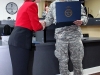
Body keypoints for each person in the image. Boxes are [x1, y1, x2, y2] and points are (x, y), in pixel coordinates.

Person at [43, 0, 88, 75]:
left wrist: (82, 21)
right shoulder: (54, 4)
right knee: (62, 62)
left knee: (77, 61)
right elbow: (49, 20)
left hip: (75, 36)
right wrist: (43, 23)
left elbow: (84, 17)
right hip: (60, 38)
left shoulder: (75, 3)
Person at [8, 0, 45, 75]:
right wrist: (42, 26)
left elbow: (26, 22)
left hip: (16, 39)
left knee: (18, 70)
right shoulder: (32, 5)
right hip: (21, 40)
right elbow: (36, 27)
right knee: (22, 71)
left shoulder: (25, 4)